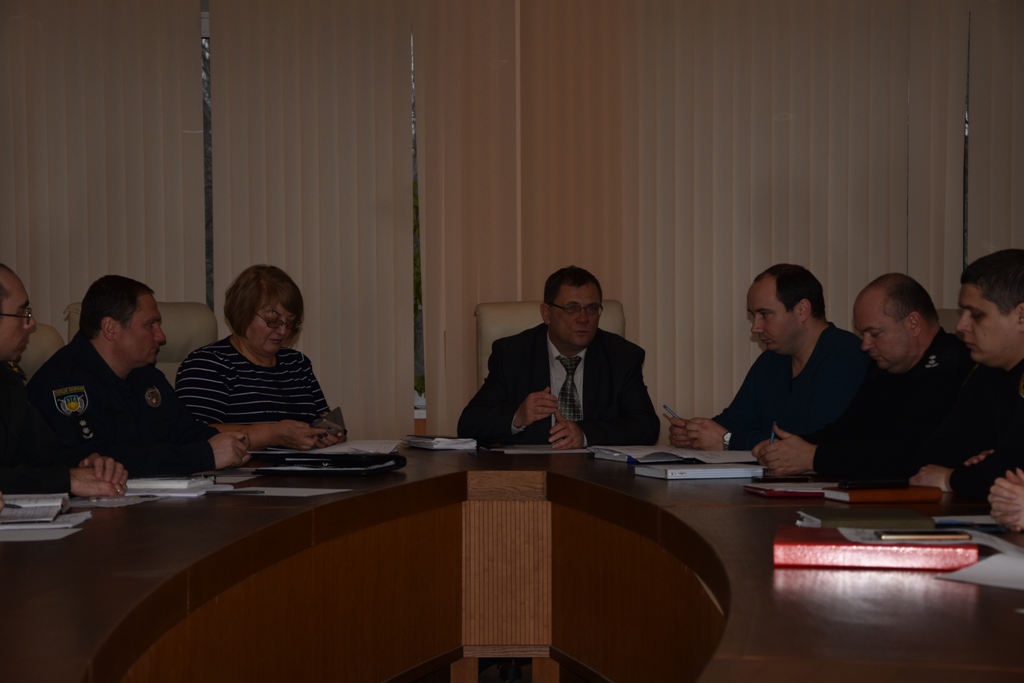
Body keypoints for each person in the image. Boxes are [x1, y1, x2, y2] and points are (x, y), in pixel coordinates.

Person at [752, 273, 973, 477]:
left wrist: (813, 457)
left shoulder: (950, 369)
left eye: (874, 333)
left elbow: (908, 457)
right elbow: (848, 431)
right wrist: (788, 448)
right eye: (862, 333)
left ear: (913, 324)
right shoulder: (885, 368)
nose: (865, 345)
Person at [27, 275, 250, 476]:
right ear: (110, 328)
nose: (161, 336)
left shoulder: (145, 375)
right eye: (150, 325)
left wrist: (229, 444)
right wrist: (205, 455)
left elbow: (184, 431)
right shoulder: (63, 384)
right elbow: (97, 462)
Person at [669, 264, 869, 452]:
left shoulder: (845, 357)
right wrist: (695, 433)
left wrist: (727, 440)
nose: (755, 328)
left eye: (765, 314)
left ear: (802, 310)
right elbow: (735, 421)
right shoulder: (771, 360)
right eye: (753, 315)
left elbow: (813, 445)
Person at [457, 266, 659, 448]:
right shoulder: (512, 355)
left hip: (599, 472)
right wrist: (518, 416)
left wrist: (585, 434)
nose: (583, 319)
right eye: (571, 308)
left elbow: (647, 426)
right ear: (547, 313)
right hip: (532, 469)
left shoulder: (622, 357)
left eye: (592, 308)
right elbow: (469, 424)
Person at [175, 265, 345, 451]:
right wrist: (273, 435)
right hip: (245, 468)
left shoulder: (297, 364)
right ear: (242, 312)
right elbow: (195, 436)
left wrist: (329, 435)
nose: (283, 331)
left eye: (290, 322)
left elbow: (322, 421)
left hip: (304, 467)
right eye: (272, 320)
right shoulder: (207, 365)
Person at [0, 263, 127, 496]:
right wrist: (67, 480)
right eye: (22, 313)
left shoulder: (8, 382)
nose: (31, 323)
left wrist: (87, 463)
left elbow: (47, 452)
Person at [910, 249, 1024, 498]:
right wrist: (986, 466)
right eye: (963, 313)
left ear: (1021, 316)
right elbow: (929, 456)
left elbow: (1009, 468)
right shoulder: (987, 370)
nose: (961, 326)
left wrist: (950, 478)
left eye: (976, 315)